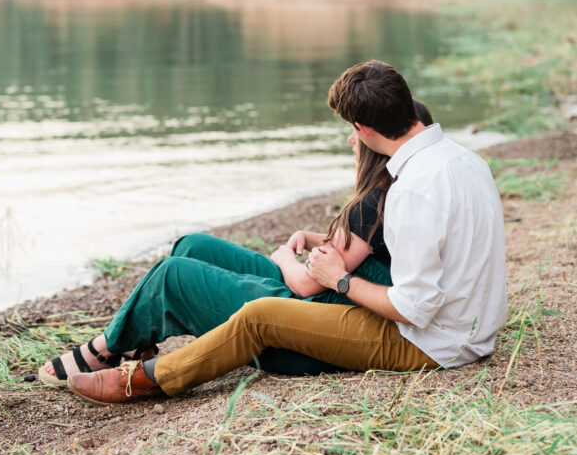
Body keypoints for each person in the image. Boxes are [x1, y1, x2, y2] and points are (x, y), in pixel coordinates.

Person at [61, 61, 506, 406]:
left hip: (434, 345)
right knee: (265, 301)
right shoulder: (467, 161)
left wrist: (340, 280)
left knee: (261, 315)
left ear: (364, 130)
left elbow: (415, 308)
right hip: (468, 330)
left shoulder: (413, 189)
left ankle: (147, 380)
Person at [39, 96, 432, 389]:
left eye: (355, 130)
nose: (351, 139)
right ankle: (132, 342)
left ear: (374, 137)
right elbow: (354, 253)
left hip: (316, 326)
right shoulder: (389, 195)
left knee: (174, 275)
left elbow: (310, 283)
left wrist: (284, 258)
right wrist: (319, 242)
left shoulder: (377, 201)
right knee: (193, 246)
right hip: (331, 301)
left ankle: (105, 346)